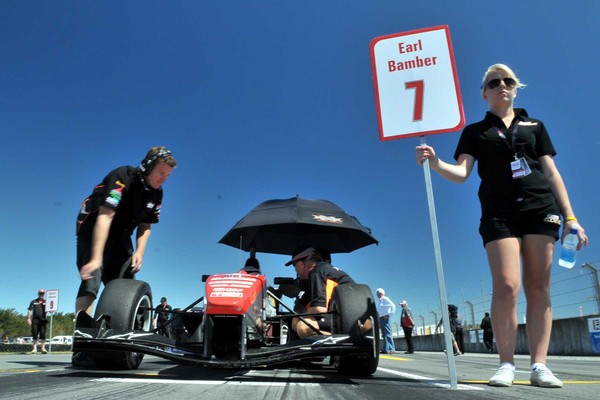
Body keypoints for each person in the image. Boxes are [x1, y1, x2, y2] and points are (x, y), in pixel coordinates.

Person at [416, 63, 589, 388]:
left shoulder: (535, 125)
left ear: (515, 87)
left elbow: (551, 173)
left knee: (539, 286)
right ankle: (506, 363)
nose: (501, 85)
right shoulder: (475, 132)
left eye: (507, 80)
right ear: (484, 92)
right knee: (507, 285)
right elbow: (462, 173)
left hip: (541, 209)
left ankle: (539, 365)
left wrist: (571, 218)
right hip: (498, 212)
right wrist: (435, 161)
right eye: (493, 82)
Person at [75, 146, 177, 316]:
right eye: (160, 172)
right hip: (94, 227)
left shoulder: (156, 194)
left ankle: (117, 330)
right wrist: (95, 258)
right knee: (92, 278)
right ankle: (82, 330)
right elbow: (105, 217)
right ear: (147, 166)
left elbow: (146, 224)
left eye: (168, 175)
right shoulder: (122, 177)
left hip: (121, 235)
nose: (163, 179)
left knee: (125, 286)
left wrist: (140, 252)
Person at [285, 247, 354, 338]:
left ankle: (340, 343)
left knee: (304, 327)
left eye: (294, 266)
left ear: (302, 264)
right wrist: (297, 314)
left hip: (346, 319)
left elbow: (319, 310)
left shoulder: (316, 272)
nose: (295, 270)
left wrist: (299, 316)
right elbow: (302, 302)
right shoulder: (324, 270)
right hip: (353, 317)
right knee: (301, 321)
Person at [27, 289, 48, 354]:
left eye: (42, 293)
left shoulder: (46, 302)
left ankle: (43, 349)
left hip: (43, 321)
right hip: (35, 320)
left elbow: (49, 310)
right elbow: (29, 310)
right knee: (35, 334)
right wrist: (29, 319)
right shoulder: (33, 301)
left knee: (43, 334)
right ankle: (34, 349)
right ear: (38, 294)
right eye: (40, 293)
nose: (41, 295)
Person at [376, 288, 396, 354]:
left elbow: (393, 306)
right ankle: (385, 349)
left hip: (385, 318)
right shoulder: (381, 300)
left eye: (377, 293)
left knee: (388, 334)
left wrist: (388, 315)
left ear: (380, 293)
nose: (376, 295)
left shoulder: (385, 299)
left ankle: (391, 349)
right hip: (381, 318)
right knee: (384, 335)